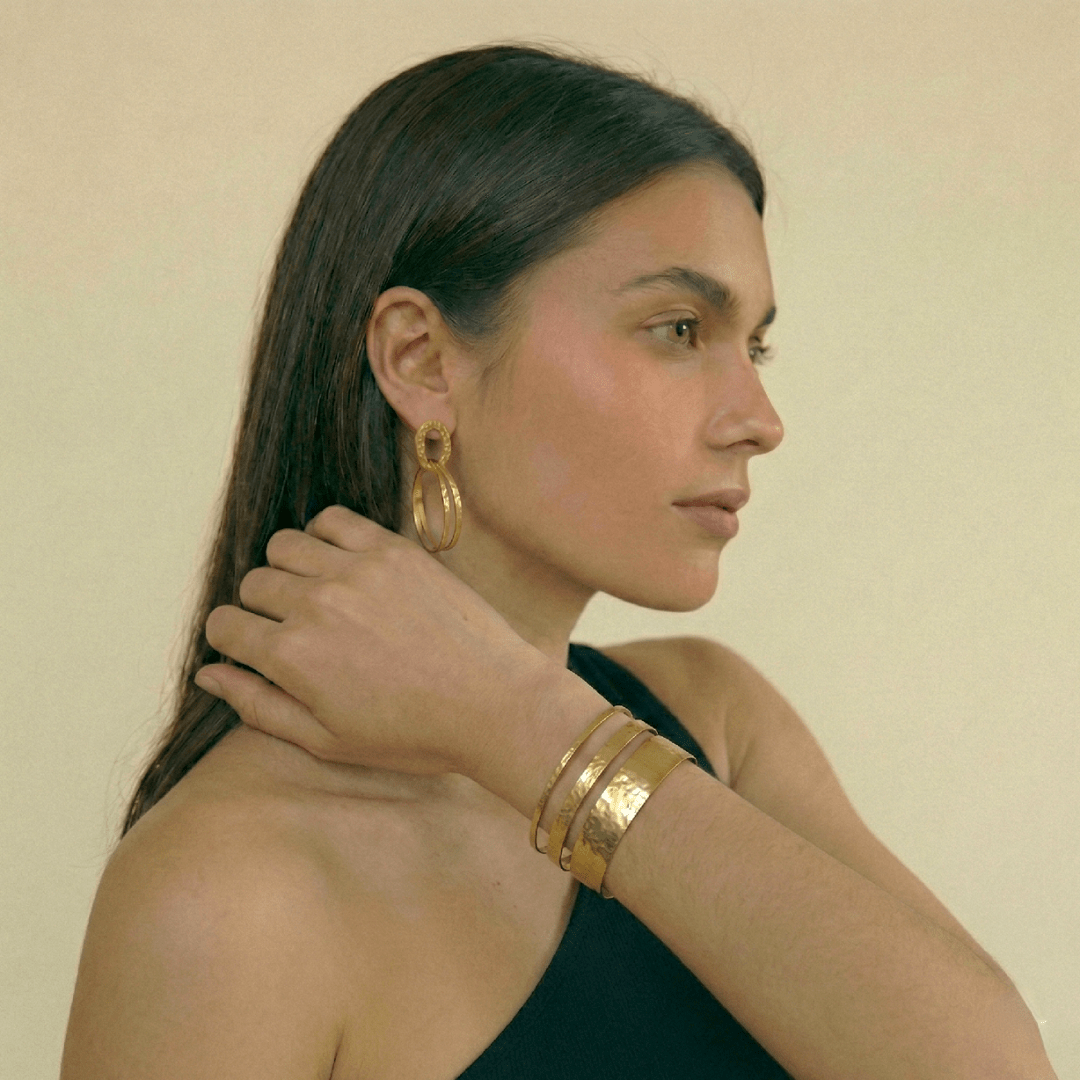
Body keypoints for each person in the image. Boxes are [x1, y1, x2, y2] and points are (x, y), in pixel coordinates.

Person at [59, 41, 1057, 1080]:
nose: (759, 420)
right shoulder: (226, 893)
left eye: (753, 345)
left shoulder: (717, 726)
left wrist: (520, 724)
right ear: (421, 360)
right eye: (679, 329)